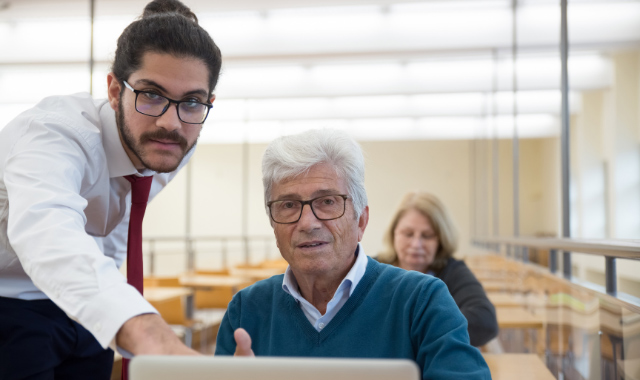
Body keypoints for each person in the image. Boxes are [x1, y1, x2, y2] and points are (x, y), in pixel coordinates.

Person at [0, 0, 221, 378]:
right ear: (116, 91)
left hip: (85, 305)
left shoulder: (175, 142)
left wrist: (115, 301)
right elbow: (46, 232)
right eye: (151, 94)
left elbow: (118, 226)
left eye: (191, 102)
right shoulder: (53, 133)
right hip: (10, 299)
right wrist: (151, 335)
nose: (171, 122)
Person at [215, 129, 491, 379]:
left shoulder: (423, 301)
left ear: (361, 221)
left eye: (327, 202)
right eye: (288, 205)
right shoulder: (245, 311)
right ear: (274, 224)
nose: (308, 223)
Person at [377, 191, 498, 347]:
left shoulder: (453, 271)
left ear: (441, 239)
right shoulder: (372, 269)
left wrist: (412, 335)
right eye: (408, 234)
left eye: (427, 236)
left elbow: (484, 320)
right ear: (394, 234)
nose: (416, 244)